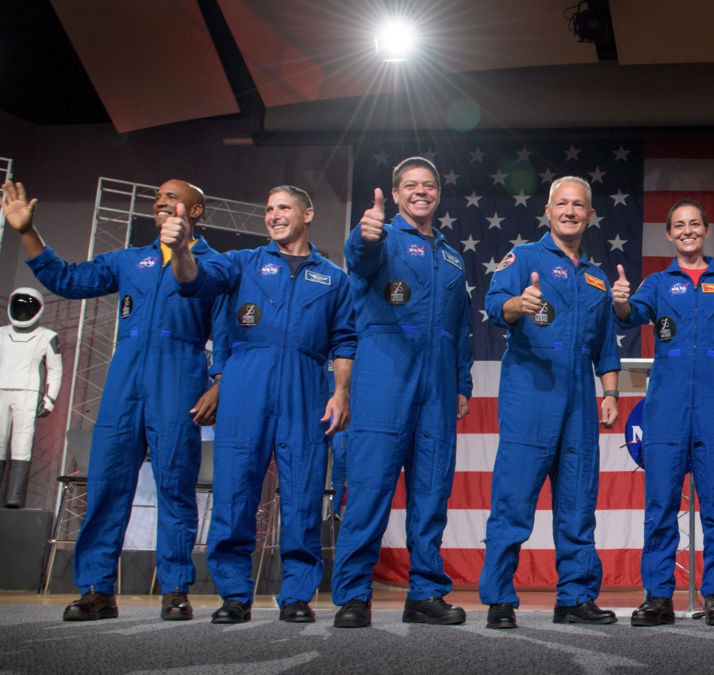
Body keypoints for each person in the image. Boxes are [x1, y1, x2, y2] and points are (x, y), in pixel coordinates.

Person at [3, 179, 227, 622]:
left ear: (196, 210)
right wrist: (27, 231)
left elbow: (227, 331)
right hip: (125, 382)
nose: (160, 201)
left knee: (176, 488)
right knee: (106, 486)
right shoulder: (130, 260)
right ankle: (97, 589)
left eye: (171, 196)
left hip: (178, 378)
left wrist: (219, 384)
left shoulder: (215, 265)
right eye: (157, 196)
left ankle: (175, 590)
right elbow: (66, 279)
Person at [165, 185, 355, 624]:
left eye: (283, 207)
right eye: (268, 209)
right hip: (245, 383)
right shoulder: (241, 262)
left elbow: (345, 340)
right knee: (234, 490)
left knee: (303, 494)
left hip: (306, 386)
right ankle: (234, 595)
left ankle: (297, 596)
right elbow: (194, 279)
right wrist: (181, 250)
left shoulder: (333, 277)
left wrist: (341, 392)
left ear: (307, 214)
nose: (273, 215)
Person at [331, 157, 473, 629]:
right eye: (410, 185)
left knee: (431, 492)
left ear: (439, 194)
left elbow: (461, 328)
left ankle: (425, 593)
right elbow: (360, 257)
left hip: (438, 384)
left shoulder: (453, 258)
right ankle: (354, 595)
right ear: (395, 194)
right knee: (369, 487)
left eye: (428, 185)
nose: (420, 191)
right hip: (384, 375)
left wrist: (462, 383)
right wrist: (365, 235)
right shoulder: (382, 237)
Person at [611, 199, 714, 627]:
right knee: (660, 503)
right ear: (669, 234)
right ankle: (658, 596)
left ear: (706, 230)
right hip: (667, 404)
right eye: (679, 225)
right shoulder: (658, 283)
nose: (687, 231)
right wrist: (620, 302)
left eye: (694, 224)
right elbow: (630, 317)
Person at [479, 176, 620, 629]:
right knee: (514, 496)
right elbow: (494, 304)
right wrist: (518, 304)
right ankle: (500, 599)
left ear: (590, 215)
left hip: (580, 392)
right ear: (548, 211)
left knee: (578, 500)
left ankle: (575, 597)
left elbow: (606, 347)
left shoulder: (597, 278)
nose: (570, 211)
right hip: (532, 386)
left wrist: (610, 393)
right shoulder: (524, 258)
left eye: (579, 205)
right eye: (562, 204)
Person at [0, 287, 63, 508]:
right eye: (19, 306)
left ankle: (14, 496)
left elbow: (55, 370)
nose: (23, 312)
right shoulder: (1, 333)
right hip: (2, 390)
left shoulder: (47, 336)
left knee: (22, 441)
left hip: (27, 393)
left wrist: (50, 399)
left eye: (28, 307)